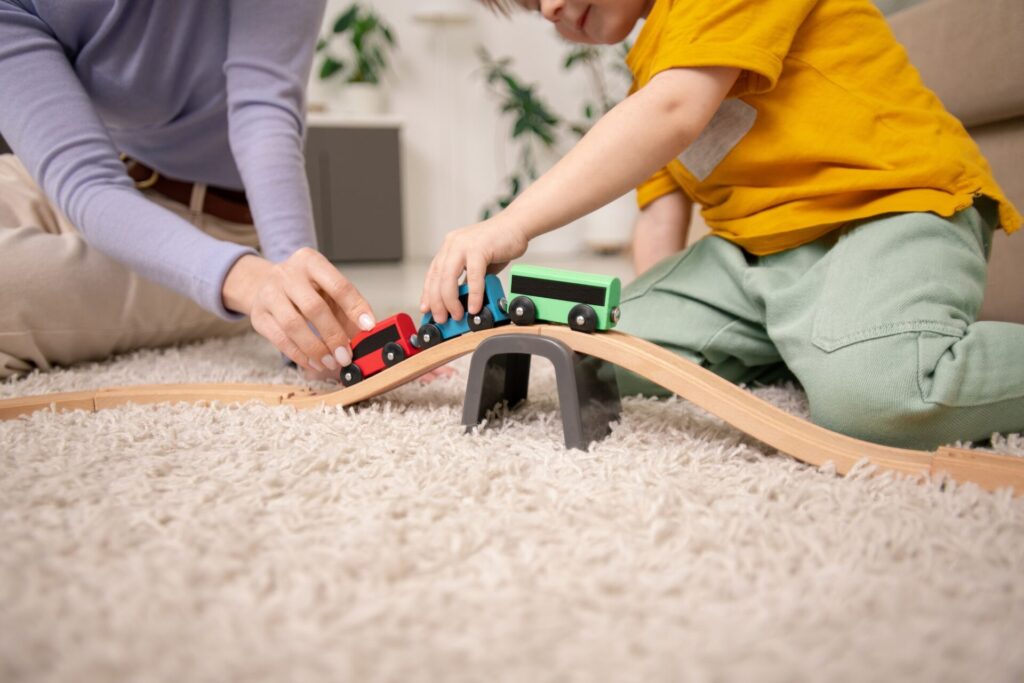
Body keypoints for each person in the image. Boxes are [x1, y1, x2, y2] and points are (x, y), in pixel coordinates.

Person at [419, 0, 1024, 449]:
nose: (551, 8)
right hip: (752, 259)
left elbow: (676, 111)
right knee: (597, 355)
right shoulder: (648, 74)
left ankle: (844, 344)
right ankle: (808, 342)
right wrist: (650, 326)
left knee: (882, 399)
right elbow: (660, 214)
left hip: (889, 211)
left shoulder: (678, 73)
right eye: (531, 7)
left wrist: (514, 223)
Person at [0, 1, 376, 383]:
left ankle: (225, 288)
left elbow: (264, 114)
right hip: (74, 182)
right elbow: (85, 179)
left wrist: (287, 290)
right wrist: (256, 283)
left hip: (213, 229)